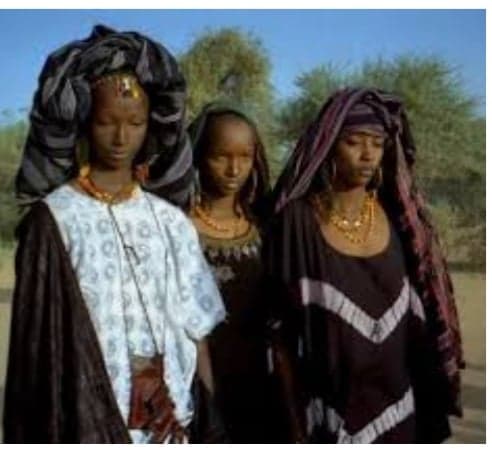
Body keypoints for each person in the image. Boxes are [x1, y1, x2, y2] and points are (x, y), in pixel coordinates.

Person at [3, 25, 225, 444]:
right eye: (107, 122)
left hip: (171, 427)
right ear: (85, 122)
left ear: (150, 125)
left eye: (135, 123)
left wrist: (212, 426)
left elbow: (197, 332)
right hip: (84, 428)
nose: (122, 137)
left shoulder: (171, 222)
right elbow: (37, 355)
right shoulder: (55, 221)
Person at [265, 87, 464, 443]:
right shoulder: (298, 222)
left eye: (377, 143)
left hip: (399, 410)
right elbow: (280, 333)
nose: (368, 154)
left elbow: (420, 324)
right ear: (329, 147)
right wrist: (294, 426)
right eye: (354, 142)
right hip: (327, 413)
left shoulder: (401, 222)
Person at [187, 102, 280, 442]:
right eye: (220, 156)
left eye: (245, 157)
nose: (233, 169)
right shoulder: (177, 228)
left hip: (258, 383)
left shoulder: (265, 229)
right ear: (198, 156)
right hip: (195, 383)